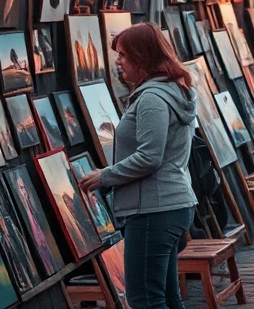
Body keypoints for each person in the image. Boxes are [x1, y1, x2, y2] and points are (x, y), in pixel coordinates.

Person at [78, 23, 198, 309]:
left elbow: (149, 157)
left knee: (144, 300)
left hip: (153, 210)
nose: (118, 61)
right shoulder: (169, 91)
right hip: (168, 204)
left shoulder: (153, 99)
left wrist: (105, 176)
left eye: (123, 54)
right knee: (167, 297)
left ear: (143, 57)